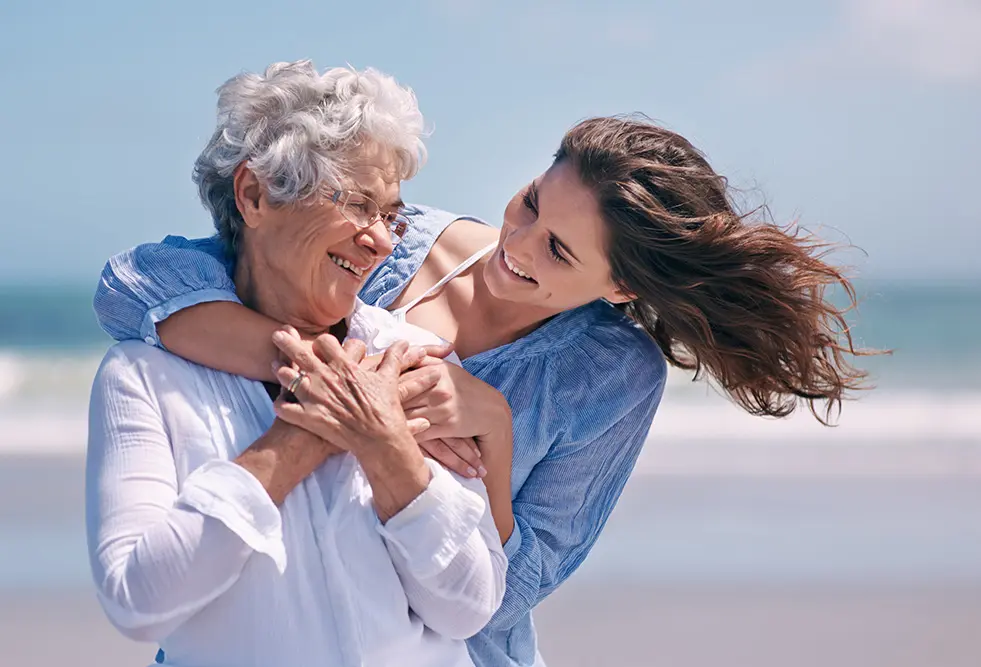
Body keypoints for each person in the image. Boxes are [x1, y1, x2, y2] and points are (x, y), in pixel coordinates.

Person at [95, 113, 869, 666]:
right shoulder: (398, 243)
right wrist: (319, 377)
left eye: (559, 249)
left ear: (623, 286)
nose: (516, 246)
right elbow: (139, 283)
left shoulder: (609, 375)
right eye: (531, 201)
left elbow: (510, 590)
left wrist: (493, 431)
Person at [86, 60, 507, 667]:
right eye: (359, 204)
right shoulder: (143, 379)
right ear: (254, 195)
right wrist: (297, 441)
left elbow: (471, 606)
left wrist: (389, 452)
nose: (384, 241)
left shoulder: (407, 357)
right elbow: (137, 599)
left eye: (391, 215)